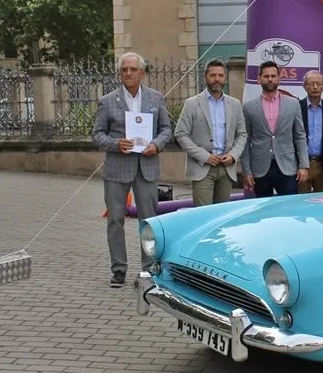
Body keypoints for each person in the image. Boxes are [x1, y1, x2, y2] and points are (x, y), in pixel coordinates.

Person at [92, 52, 173, 288]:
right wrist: (116, 144)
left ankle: (149, 270)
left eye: (132, 69)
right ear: (120, 73)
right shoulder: (107, 101)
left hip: (146, 167)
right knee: (115, 220)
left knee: (149, 222)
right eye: (124, 70)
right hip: (117, 169)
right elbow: (97, 135)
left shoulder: (156, 98)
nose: (128, 73)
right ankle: (118, 269)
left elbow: (166, 130)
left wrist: (156, 145)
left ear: (141, 72)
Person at [173, 59, 247, 206]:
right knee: (203, 215)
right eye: (213, 75)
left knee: (221, 215)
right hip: (203, 167)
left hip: (226, 168)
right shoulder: (192, 103)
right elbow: (181, 134)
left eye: (220, 75)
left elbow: (242, 135)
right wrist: (205, 157)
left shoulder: (235, 104)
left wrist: (233, 155)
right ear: (205, 77)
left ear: (225, 77)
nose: (217, 79)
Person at [240, 61, 308, 197]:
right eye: (266, 76)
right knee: (263, 213)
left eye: (273, 76)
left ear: (279, 79)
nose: (270, 79)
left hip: (287, 167)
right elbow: (245, 140)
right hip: (260, 168)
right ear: (259, 79)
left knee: (290, 208)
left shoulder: (293, 104)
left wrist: (303, 166)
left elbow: (299, 136)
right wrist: (247, 171)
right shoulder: (248, 107)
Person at [298, 70, 323, 193]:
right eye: (311, 83)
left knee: (322, 203)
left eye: (318, 84)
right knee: (301, 203)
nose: (315, 87)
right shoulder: (296, 107)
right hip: (302, 165)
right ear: (304, 86)